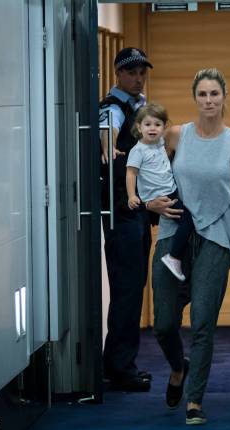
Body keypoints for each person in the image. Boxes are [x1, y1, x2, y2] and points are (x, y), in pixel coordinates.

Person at [146, 68, 230, 425]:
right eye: (202, 94)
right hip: (172, 234)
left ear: (225, 97)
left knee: (203, 324)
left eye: (214, 94)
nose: (208, 100)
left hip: (216, 238)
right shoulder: (175, 135)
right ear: (194, 98)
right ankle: (179, 369)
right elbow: (148, 171)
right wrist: (150, 202)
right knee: (164, 324)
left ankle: (194, 401)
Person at [99, 47, 153, 392]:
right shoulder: (113, 107)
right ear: (118, 73)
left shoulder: (138, 105)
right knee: (127, 290)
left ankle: (119, 363)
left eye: (141, 71)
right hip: (122, 212)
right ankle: (120, 368)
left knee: (133, 289)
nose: (138, 77)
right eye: (131, 72)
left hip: (136, 211)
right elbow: (106, 138)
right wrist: (108, 151)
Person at [125, 103, 194, 282]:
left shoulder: (161, 143)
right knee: (189, 222)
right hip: (162, 197)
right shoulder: (138, 151)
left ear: (164, 128)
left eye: (157, 124)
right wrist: (132, 196)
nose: (152, 128)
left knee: (188, 219)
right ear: (139, 127)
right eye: (147, 124)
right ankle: (174, 257)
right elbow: (131, 173)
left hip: (172, 191)